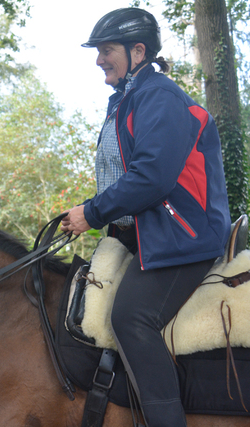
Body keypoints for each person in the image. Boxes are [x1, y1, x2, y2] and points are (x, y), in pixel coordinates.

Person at [60, 8, 231, 427]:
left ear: (138, 51)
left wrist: (94, 213)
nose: (99, 59)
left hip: (185, 237)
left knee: (130, 317)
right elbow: (124, 179)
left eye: (106, 50)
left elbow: (151, 177)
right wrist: (87, 211)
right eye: (97, 52)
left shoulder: (159, 97)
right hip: (151, 235)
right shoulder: (129, 99)